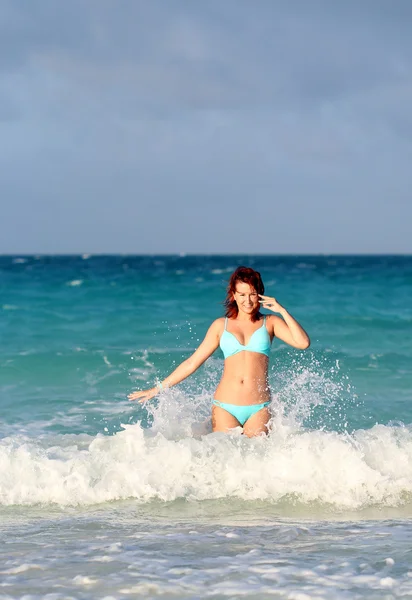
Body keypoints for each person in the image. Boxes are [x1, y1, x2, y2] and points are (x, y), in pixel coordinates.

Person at [128, 266, 310, 437]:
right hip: (225, 407)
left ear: (260, 294)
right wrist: (158, 388)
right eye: (242, 294)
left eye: (252, 294)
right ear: (234, 295)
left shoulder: (270, 322)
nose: (247, 300)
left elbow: (303, 343)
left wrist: (282, 310)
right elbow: (192, 362)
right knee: (224, 460)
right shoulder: (220, 326)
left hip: (259, 407)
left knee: (255, 461)